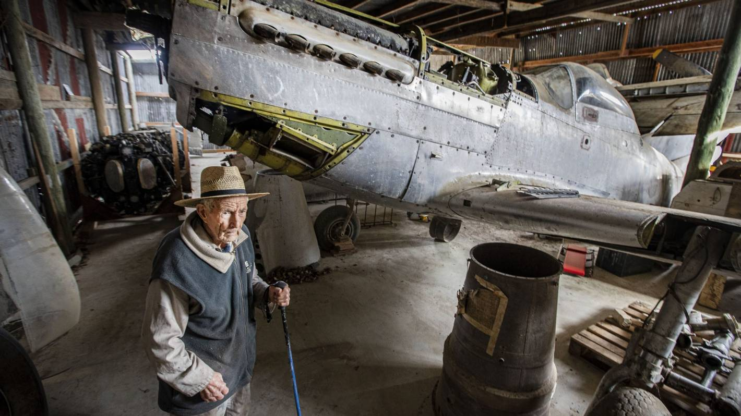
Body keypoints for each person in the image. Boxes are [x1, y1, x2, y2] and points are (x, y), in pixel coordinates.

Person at [142, 166, 290, 415]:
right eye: (227, 212)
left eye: (243, 211)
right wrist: (200, 379)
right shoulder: (177, 258)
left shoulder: (239, 236)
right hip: (203, 388)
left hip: (239, 370)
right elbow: (161, 339)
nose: (237, 221)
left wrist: (267, 293)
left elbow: (248, 278)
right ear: (203, 211)